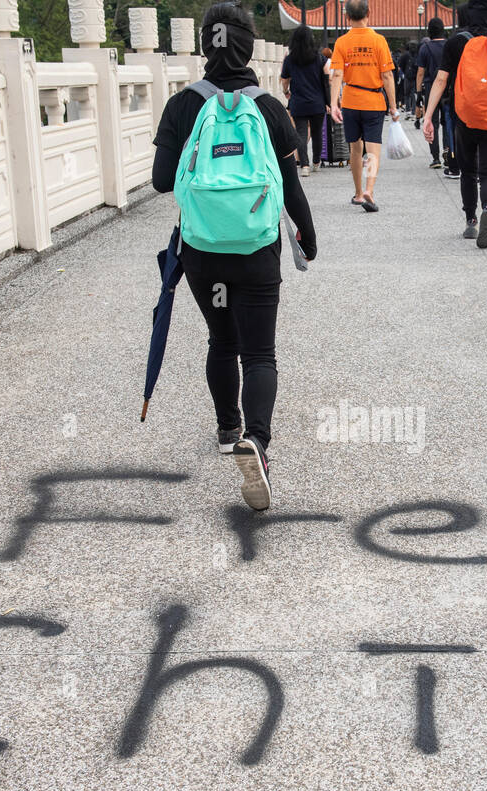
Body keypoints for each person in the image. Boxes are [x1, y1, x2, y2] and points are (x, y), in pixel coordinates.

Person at [152, 1, 317, 510]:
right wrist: (308, 238)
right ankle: (258, 445)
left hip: (202, 250)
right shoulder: (268, 107)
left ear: (206, 45)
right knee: (259, 352)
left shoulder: (184, 105)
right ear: (248, 46)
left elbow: (162, 182)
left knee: (221, 339)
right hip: (256, 247)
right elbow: (289, 185)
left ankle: (228, 429)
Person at [422, 0, 487, 249]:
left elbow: (441, 79)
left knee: (467, 172)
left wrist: (428, 115)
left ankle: (471, 220)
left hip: (463, 117)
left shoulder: (456, 42)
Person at [329, 0, 399, 213]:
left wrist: (333, 103)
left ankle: (358, 193)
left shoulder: (341, 42)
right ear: (369, 13)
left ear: (346, 17)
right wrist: (394, 106)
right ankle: (370, 189)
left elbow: (337, 75)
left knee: (355, 148)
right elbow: (387, 75)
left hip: (350, 100)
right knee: (373, 149)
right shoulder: (379, 41)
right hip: (374, 101)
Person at [281, 25, 329, 178]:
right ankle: (316, 162)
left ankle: (305, 166)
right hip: (317, 102)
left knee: (300, 134)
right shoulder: (319, 58)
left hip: (298, 102)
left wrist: (286, 92)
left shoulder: (290, 59)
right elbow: (325, 82)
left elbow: (285, 80)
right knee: (317, 133)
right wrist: (328, 102)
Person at [416, 17, 448, 168]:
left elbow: (420, 73)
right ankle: (449, 150)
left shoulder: (425, 48)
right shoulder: (449, 46)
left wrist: (418, 92)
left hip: (430, 87)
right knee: (448, 120)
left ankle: (435, 157)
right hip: (448, 87)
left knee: (432, 122)